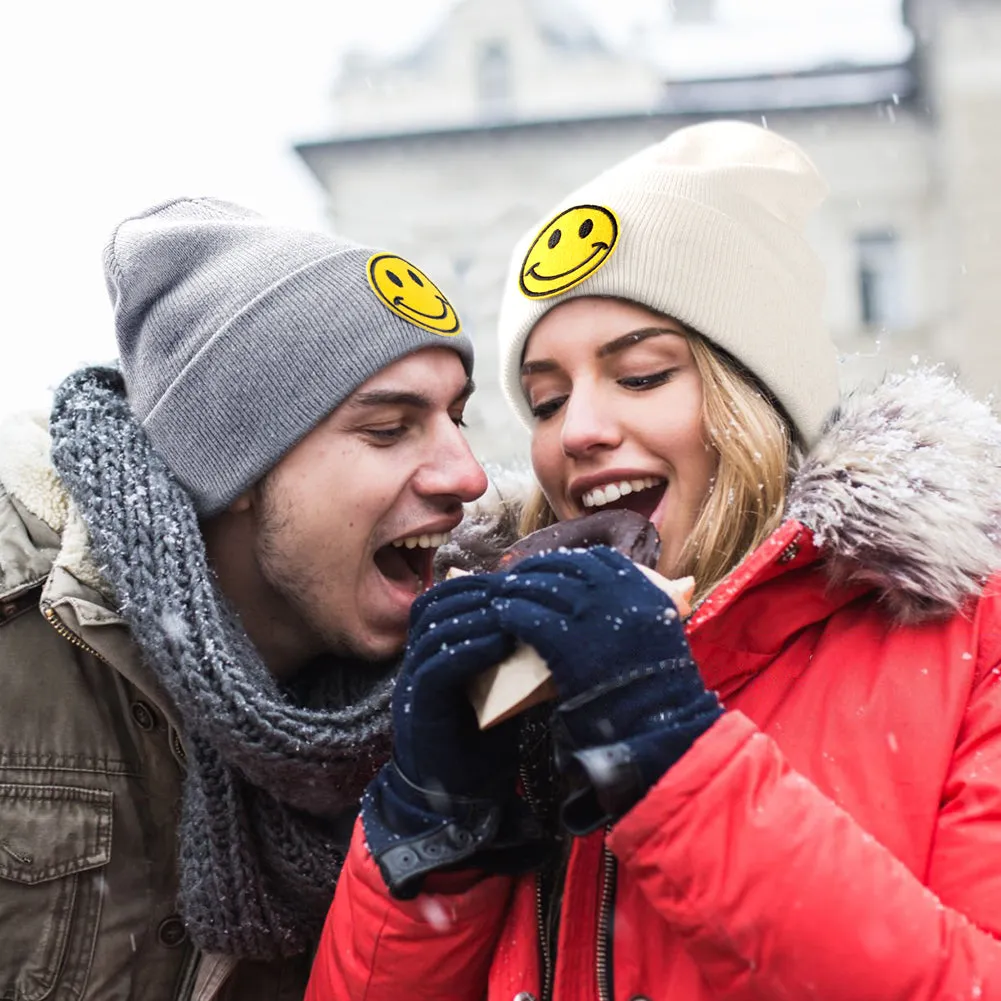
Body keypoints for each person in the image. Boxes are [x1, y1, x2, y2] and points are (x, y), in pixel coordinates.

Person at [306, 121, 1001, 999]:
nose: (578, 431)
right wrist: (430, 827)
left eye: (640, 376)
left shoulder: (967, 631)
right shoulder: (514, 674)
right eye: (546, 399)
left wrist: (670, 753)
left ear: (753, 397)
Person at [0, 197, 487, 1000]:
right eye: (388, 428)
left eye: (457, 418)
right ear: (232, 467)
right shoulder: (24, 613)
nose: (467, 475)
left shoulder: (458, 693)